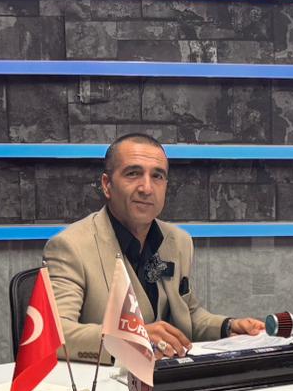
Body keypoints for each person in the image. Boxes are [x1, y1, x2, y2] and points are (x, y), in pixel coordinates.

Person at [44, 133, 264, 360]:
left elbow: (187, 313)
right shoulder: (70, 246)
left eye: (157, 176)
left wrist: (227, 327)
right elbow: (55, 335)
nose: (147, 188)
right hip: (110, 378)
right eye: (133, 173)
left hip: (172, 375)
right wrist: (134, 337)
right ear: (107, 185)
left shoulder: (179, 241)